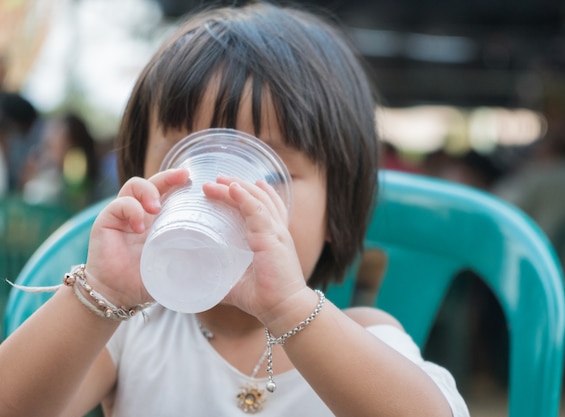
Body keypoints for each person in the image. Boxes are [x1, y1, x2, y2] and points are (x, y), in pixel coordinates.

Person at [0, 2, 468, 416]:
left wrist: (289, 308)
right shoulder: (128, 337)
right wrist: (98, 298)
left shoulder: (363, 339)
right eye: (191, 160)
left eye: (268, 172)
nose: (219, 193)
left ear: (337, 206)